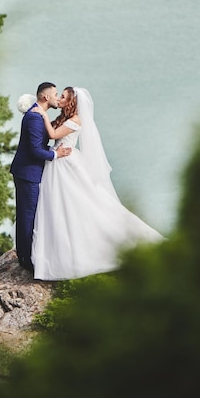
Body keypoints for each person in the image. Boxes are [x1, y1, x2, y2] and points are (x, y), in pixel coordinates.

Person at [31, 86, 164, 280]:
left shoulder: (76, 120)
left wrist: (41, 114)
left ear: (71, 102)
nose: (59, 98)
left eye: (63, 97)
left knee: (78, 202)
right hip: (58, 162)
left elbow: (52, 135)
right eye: (59, 95)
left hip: (65, 163)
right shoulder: (65, 118)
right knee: (59, 205)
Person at [10, 82, 71, 271]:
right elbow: (35, 150)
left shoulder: (37, 114)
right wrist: (55, 154)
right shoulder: (35, 118)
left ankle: (26, 255)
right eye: (54, 94)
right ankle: (26, 260)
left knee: (28, 214)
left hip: (27, 171)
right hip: (28, 173)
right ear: (45, 97)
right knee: (28, 215)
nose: (57, 97)